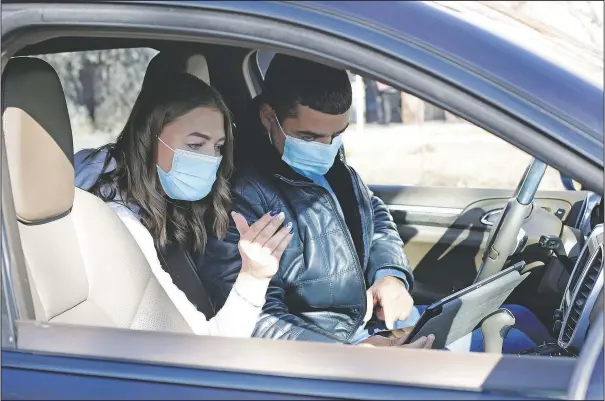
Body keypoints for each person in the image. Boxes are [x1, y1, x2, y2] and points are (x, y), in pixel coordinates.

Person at [198, 54, 550, 352]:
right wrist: (356, 357)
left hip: (374, 330)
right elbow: (257, 319)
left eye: (336, 136)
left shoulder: (334, 168)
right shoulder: (241, 197)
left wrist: (390, 278)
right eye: (309, 136)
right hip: (337, 350)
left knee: (525, 319)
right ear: (267, 118)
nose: (324, 147)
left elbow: (377, 217)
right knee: (520, 347)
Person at [74, 70, 293, 338]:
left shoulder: (160, 196)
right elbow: (208, 349)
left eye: (218, 147)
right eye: (195, 144)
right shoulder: (120, 222)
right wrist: (254, 276)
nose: (211, 159)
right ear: (149, 136)